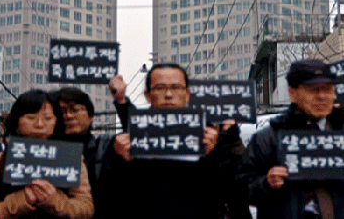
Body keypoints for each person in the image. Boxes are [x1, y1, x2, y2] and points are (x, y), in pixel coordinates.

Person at [102, 63, 250, 219]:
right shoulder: (124, 143)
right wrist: (121, 162)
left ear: (187, 94)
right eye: (160, 88)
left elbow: (235, 190)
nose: (168, 94)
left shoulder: (209, 136)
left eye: (176, 87)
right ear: (147, 95)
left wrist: (213, 154)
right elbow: (108, 196)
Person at [242, 58, 344, 219]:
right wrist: (267, 183)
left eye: (327, 89)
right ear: (293, 93)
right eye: (313, 90)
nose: (321, 96)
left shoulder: (340, 134)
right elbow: (241, 191)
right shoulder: (267, 139)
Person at [0, 89, 94, 219]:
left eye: (47, 118)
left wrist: (54, 200)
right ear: (16, 121)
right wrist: (21, 200)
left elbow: (86, 208)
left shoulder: (69, 158)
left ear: (56, 122)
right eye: (31, 118)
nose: (39, 124)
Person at [55, 87, 112, 202]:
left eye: (74, 109)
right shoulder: (45, 152)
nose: (69, 116)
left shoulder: (105, 148)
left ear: (91, 116)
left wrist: (121, 102)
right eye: (62, 111)